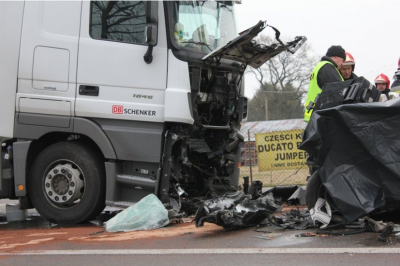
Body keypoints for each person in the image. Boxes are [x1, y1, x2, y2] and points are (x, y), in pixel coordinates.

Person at [304, 45, 346, 122]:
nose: (343, 64)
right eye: (343, 60)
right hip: (321, 116)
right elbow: (339, 92)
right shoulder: (328, 68)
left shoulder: (321, 66)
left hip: (315, 115)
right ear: (336, 56)